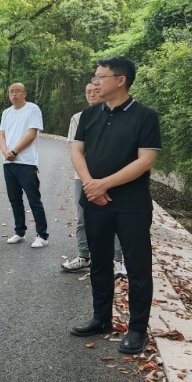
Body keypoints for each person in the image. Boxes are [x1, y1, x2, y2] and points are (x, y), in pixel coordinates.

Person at [70, 56, 161, 354]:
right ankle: (101, 318)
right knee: (99, 261)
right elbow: (77, 152)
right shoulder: (89, 115)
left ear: (120, 80)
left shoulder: (145, 116)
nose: (95, 82)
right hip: (95, 202)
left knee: (137, 267)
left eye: (100, 77)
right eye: (95, 77)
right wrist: (90, 186)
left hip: (131, 205)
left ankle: (137, 330)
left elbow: (145, 161)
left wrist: (104, 184)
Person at [62, 84, 126, 277]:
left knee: (115, 218)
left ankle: (116, 261)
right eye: (87, 92)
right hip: (83, 177)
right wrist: (88, 180)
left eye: (95, 91)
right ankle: (84, 257)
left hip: (111, 177)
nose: (91, 94)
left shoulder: (118, 116)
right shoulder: (78, 118)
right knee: (83, 218)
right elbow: (77, 151)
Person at [0, 83, 49, 248]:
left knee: (34, 200)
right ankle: (19, 232)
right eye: (11, 92)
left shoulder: (32, 109)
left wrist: (14, 151)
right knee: (15, 200)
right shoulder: (6, 113)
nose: (14, 94)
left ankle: (42, 235)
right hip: (8, 163)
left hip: (26, 163)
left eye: (17, 91)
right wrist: (5, 152)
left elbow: (31, 134)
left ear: (24, 94)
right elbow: (1, 135)